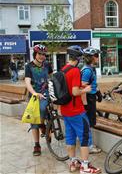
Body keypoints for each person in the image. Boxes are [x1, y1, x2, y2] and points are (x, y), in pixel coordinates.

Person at [60, 45, 101, 174]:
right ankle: (85, 166)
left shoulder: (64, 69)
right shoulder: (75, 71)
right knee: (84, 137)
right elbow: (75, 91)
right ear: (78, 58)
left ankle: (73, 163)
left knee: (70, 137)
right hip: (76, 110)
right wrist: (86, 89)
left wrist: (79, 85)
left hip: (65, 110)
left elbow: (68, 86)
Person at [25, 44, 53, 156]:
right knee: (34, 120)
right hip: (34, 94)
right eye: (39, 54)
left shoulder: (47, 65)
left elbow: (52, 78)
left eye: (43, 54)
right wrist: (34, 93)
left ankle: (45, 126)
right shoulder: (29, 66)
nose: (42, 56)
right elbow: (27, 82)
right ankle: (37, 144)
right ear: (35, 54)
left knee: (46, 109)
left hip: (46, 93)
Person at [81, 47, 102, 154]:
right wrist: (85, 104)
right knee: (88, 123)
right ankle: (89, 146)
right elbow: (82, 86)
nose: (98, 58)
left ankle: (88, 144)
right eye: (96, 56)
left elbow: (92, 84)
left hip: (91, 97)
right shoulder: (87, 71)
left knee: (90, 122)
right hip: (88, 99)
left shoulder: (91, 68)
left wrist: (97, 91)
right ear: (90, 58)